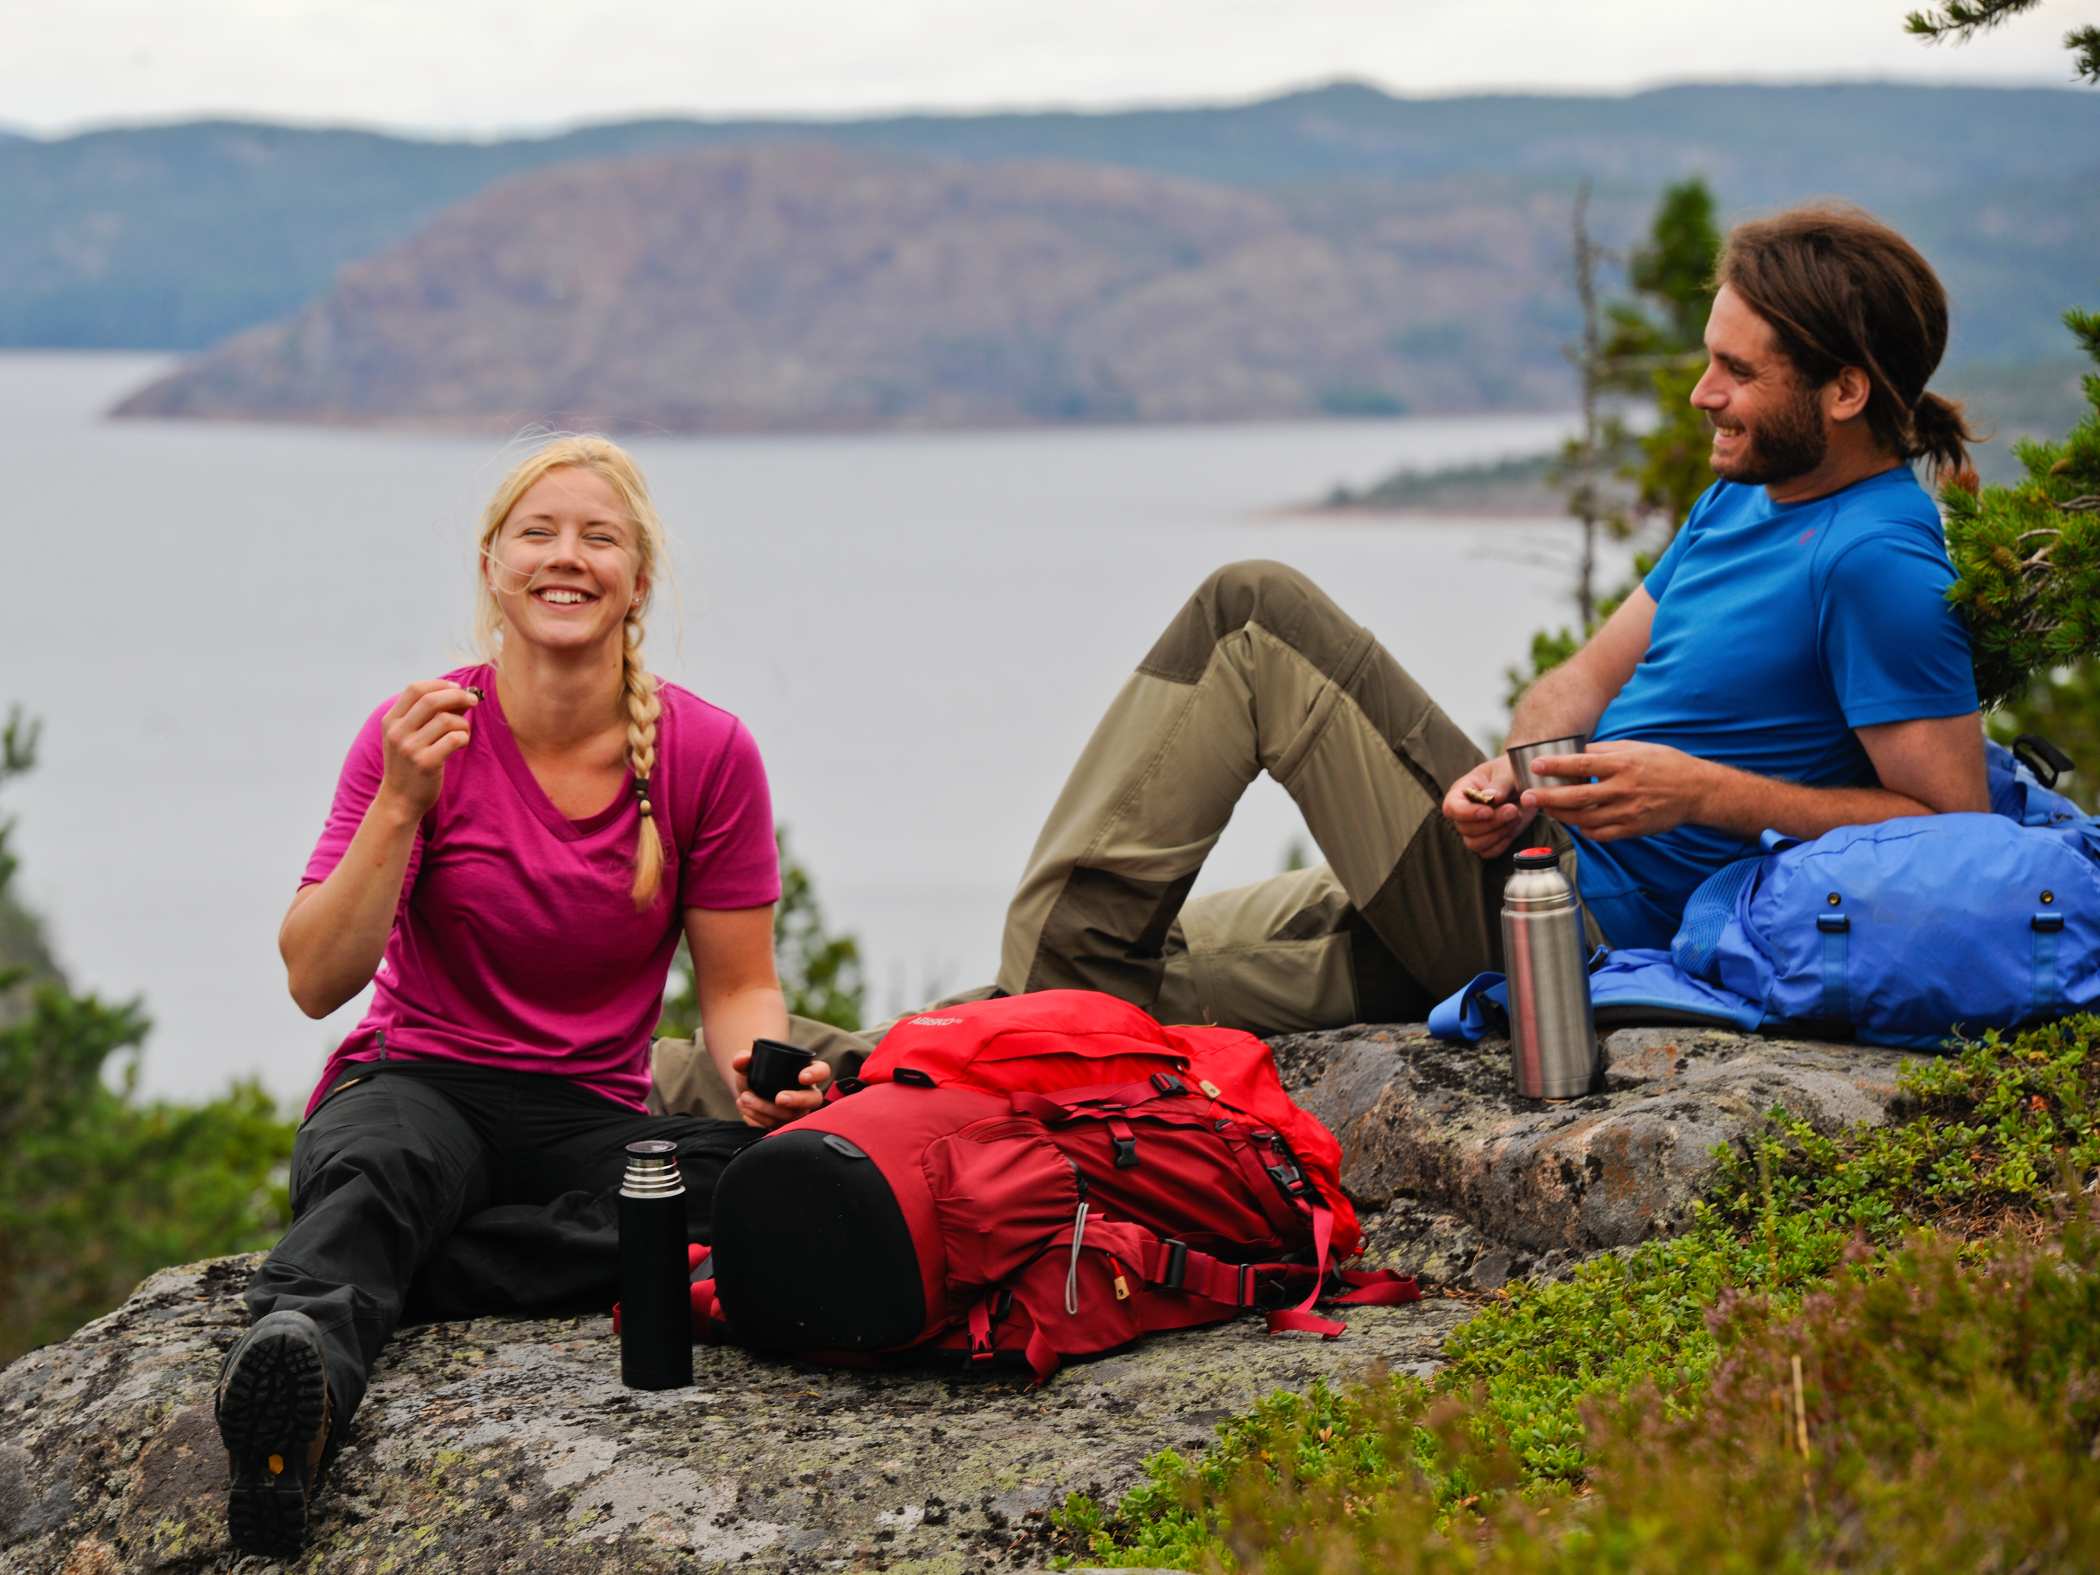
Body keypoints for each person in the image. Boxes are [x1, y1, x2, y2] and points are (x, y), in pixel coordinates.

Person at [653, 201, 1989, 1113]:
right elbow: (1572, 688)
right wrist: (1519, 771)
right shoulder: (1750, 497)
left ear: (1846, 390)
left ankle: (982, 1024)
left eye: (1736, 371)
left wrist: (1705, 795)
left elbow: (1948, 826)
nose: (1703, 394)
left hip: (1582, 936)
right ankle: (707, 1085)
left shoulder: (1877, 557)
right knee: (1105, 986)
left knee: (1255, 615)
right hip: (1511, 875)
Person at [214, 436, 828, 1559]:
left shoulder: (707, 751)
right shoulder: (418, 732)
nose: (567, 557)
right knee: (379, 1172)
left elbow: (740, 984)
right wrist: (401, 802)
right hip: (419, 1082)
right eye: (539, 532)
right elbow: (315, 980)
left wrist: (764, 1079)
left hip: (587, 1114)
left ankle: (405, 1268)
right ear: (492, 564)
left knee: (753, 1186)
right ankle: (289, 1420)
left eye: (601, 538)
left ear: (638, 581)